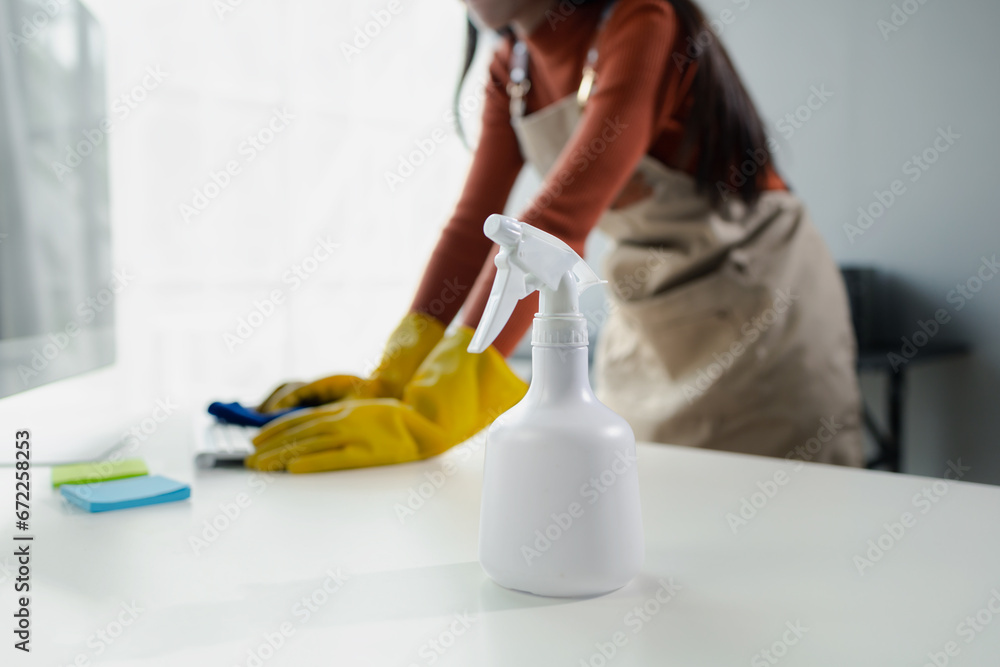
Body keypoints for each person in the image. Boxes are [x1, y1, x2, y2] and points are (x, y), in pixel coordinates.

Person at [246, 0, 863, 473]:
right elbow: (473, 231)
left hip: (762, 313)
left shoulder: (642, 20)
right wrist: (396, 374)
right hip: (655, 322)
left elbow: (556, 222)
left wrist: (442, 405)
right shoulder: (510, 68)